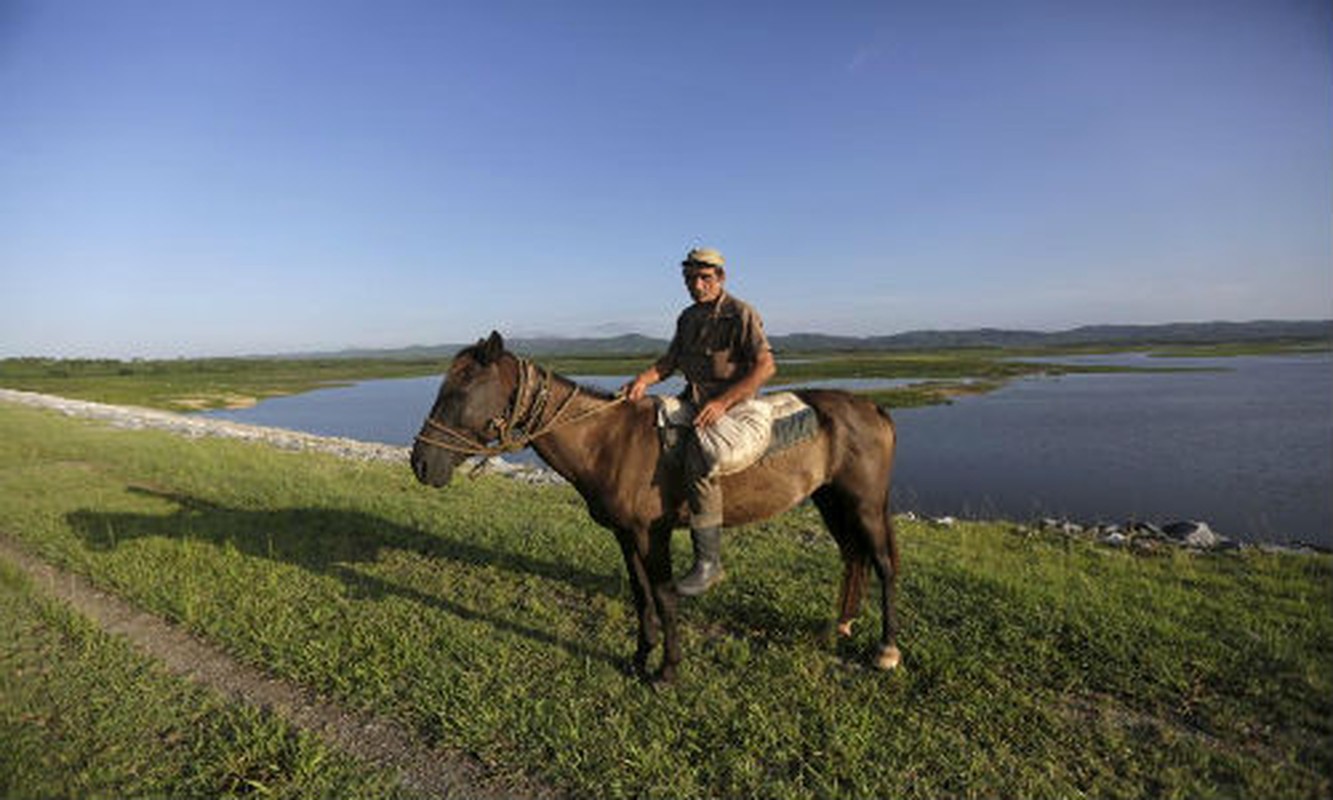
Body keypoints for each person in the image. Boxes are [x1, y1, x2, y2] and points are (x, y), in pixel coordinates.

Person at [625, 247, 777, 595]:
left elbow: (765, 366)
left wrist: (724, 402)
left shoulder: (740, 314)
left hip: (734, 404)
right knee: (647, 421)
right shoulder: (688, 318)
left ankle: (709, 563)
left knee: (699, 457)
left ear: (720, 278)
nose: (696, 285)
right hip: (694, 401)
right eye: (690, 278)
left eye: (704, 278)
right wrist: (642, 380)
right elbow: (670, 362)